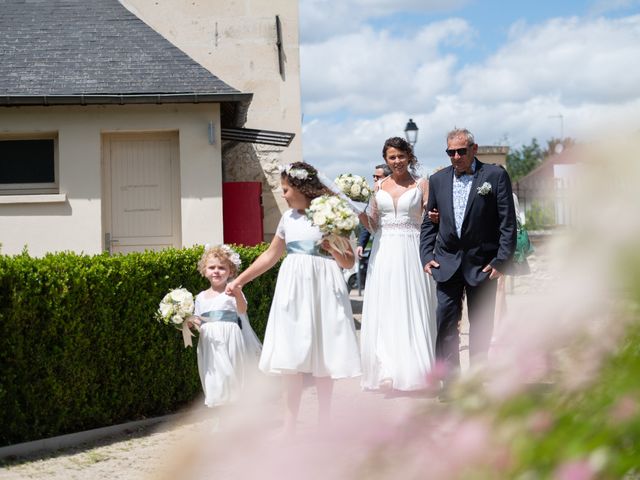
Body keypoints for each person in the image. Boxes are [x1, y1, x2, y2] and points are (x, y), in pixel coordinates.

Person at [226, 161, 361, 436]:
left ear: (301, 187)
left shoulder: (332, 214)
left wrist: (331, 248)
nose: (283, 195)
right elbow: (270, 255)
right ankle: (290, 426)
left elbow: (348, 262)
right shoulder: (288, 219)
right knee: (291, 357)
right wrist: (239, 280)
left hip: (325, 286)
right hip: (293, 289)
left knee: (325, 354)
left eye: (286, 189)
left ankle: (325, 421)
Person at [420, 128, 517, 376]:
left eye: (461, 151)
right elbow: (429, 223)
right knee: (445, 325)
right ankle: (450, 383)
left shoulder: (495, 176)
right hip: (446, 264)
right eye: (450, 152)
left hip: (483, 264)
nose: (455, 156)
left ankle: (476, 380)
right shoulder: (437, 180)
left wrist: (501, 260)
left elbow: (507, 223)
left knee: (481, 327)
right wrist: (427, 257)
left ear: (474, 149)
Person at [358, 137, 438, 392]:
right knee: (386, 306)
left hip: (412, 248)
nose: (397, 161)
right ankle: (386, 368)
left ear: (409, 156)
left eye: (401, 156)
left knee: (411, 305)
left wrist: (435, 217)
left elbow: (431, 217)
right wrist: (356, 212)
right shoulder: (378, 186)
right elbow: (372, 224)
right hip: (384, 251)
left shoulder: (422, 184)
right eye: (392, 157)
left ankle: (415, 368)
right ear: (386, 160)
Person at [188, 245, 262, 408]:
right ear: (204, 271)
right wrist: (188, 322)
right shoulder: (200, 297)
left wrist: (237, 293)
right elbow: (199, 321)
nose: (216, 271)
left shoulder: (232, 291)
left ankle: (233, 413)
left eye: (222, 268)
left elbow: (242, 310)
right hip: (210, 342)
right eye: (212, 267)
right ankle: (220, 415)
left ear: (231, 272)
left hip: (230, 338)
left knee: (230, 374)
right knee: (216, 377)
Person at [356, 164, 392, 259]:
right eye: (374, 176)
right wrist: (361, 244)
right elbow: (369, 221)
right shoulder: (374, 195)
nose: (375, 179)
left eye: (378, 177)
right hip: (380, 241)